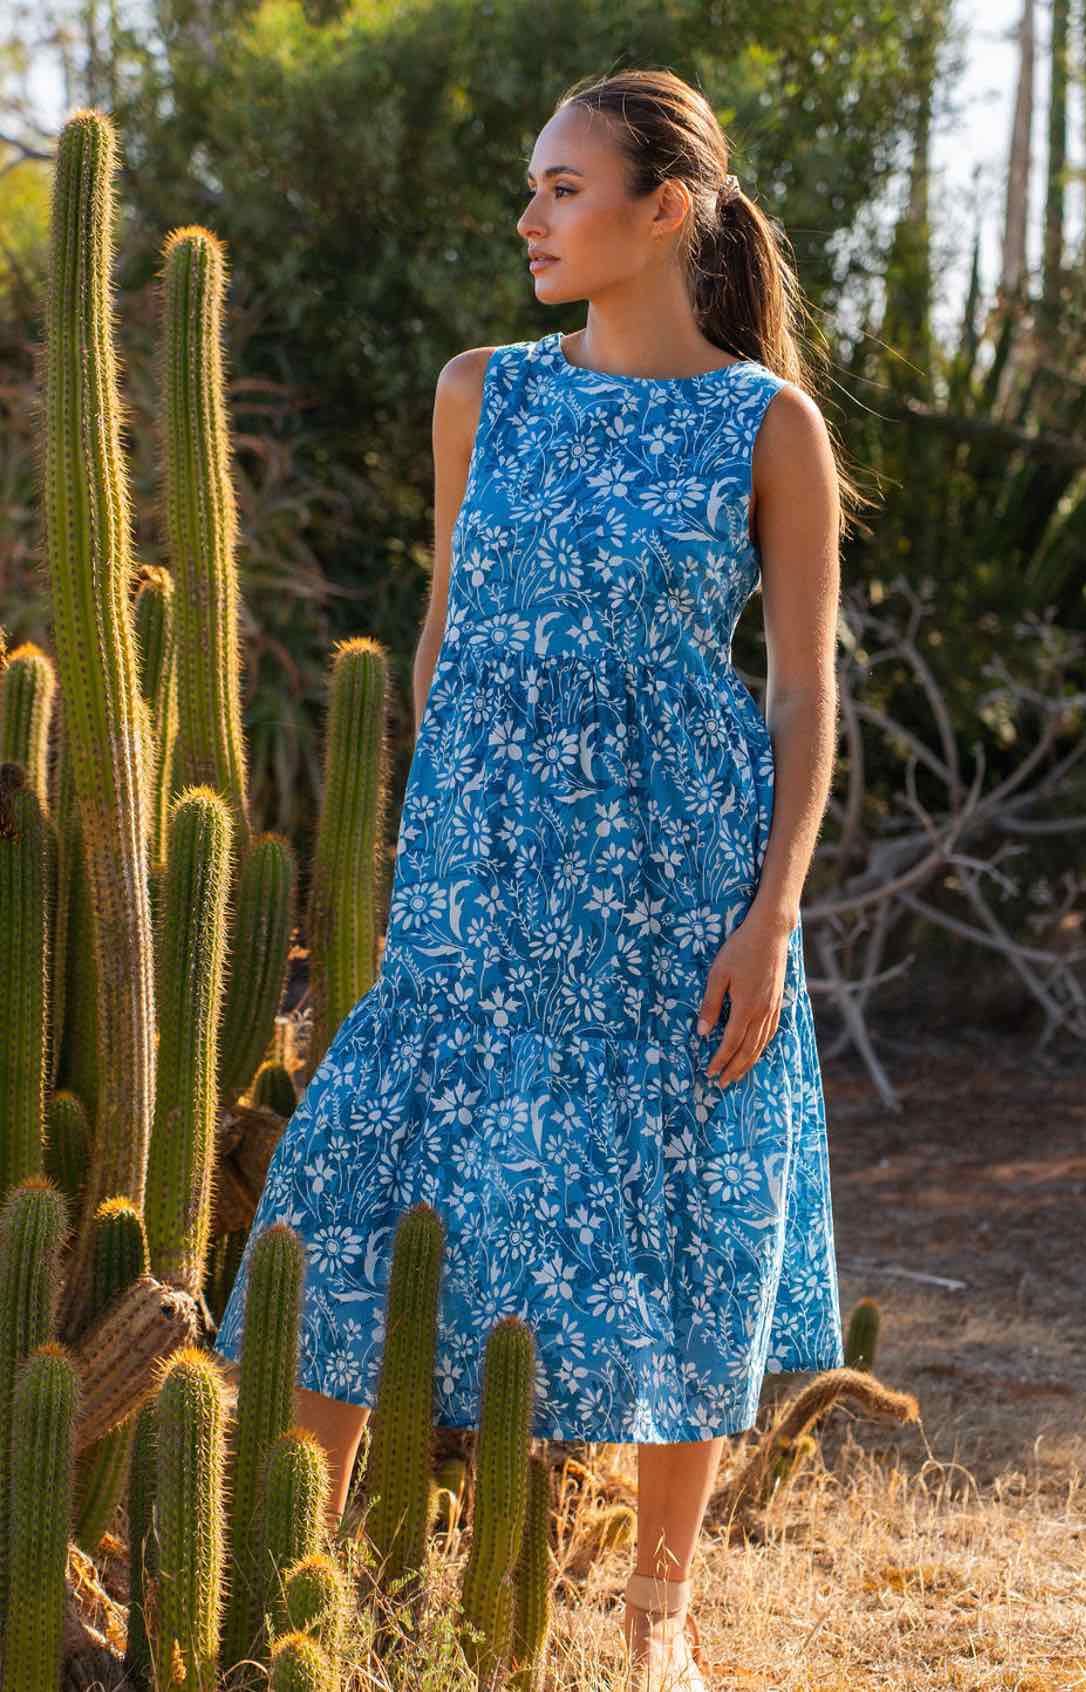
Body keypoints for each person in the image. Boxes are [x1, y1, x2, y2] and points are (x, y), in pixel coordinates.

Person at [213, 66, 870, 1692]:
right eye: (532, 186)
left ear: (670, 210)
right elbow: (448, 630)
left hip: (676, 875)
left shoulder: (764, 424)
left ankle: (660, 1623)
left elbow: (801, 691)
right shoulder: (479, 391)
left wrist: (772, 911)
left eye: (566, 190)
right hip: (481, 879)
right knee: (357, 1194)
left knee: (674, 1207)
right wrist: (462, 832)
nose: (530, 219)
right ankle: (292, 1602)